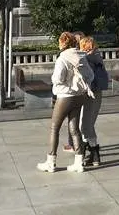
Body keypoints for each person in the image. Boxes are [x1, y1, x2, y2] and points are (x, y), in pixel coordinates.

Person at [37, 32, 95, 174]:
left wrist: (57, 80)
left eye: (60, 41)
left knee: (54, 128)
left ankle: (51, 162)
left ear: (63, 43)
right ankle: (78, 162)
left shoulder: (62, 58)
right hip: (79, 95)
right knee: (74, 129)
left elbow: (57, 79)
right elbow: (91, 75)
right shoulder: (81, 56)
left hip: (65, 96)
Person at [79, 36, 108, 167]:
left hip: (89, 94)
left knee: (85, 125)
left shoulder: (86, 59)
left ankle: (92, 153)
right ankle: (91, 152)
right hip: (98, 93)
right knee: (88, 124)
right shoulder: (97, 56)